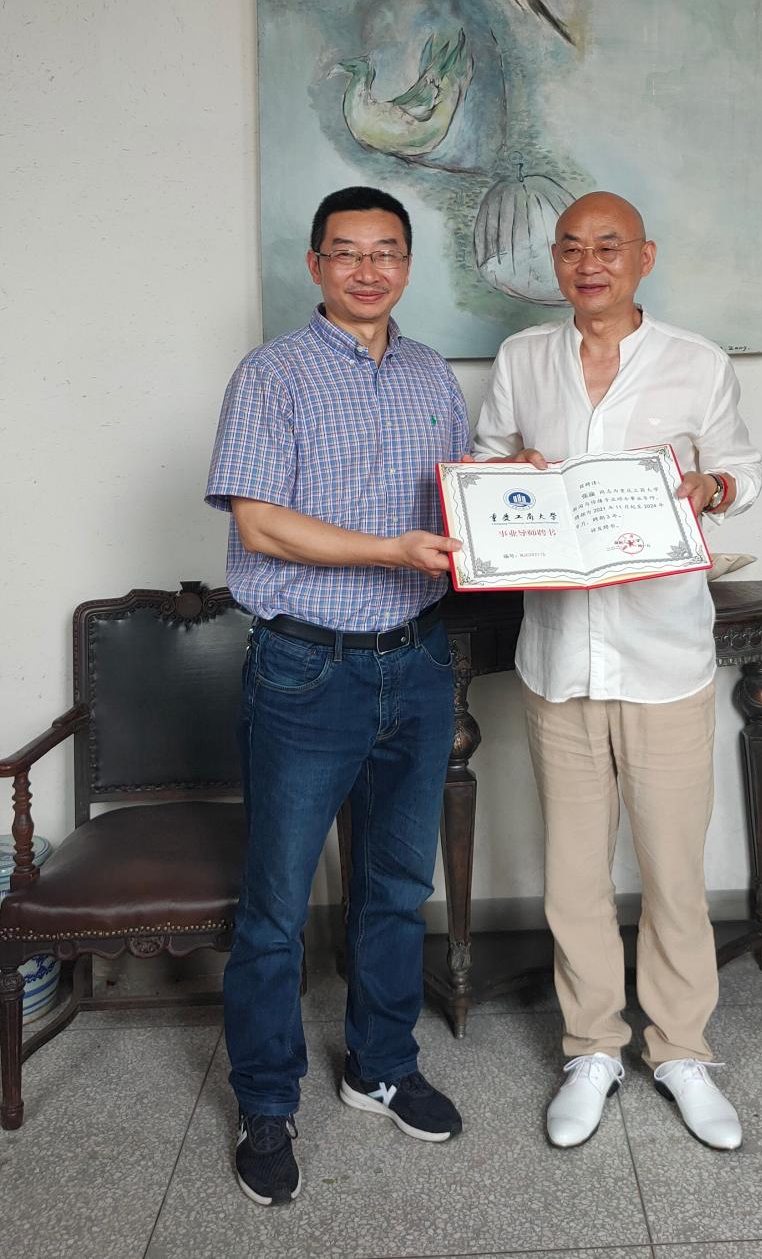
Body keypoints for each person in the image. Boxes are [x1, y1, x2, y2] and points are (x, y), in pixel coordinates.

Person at [473, 191, 762, 1151]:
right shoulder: (522, 358)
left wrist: (711, 485)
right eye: (571, 247)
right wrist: (514, 472)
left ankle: (681, 1051)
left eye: (609, 246)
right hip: (557, 653)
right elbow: (482, 468)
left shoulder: (697, 361)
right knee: (572, 874)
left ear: (645, 256)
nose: (588, 262)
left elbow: (743, 469)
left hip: (664, 653)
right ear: (554, 262)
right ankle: (591, 1046)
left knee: (675, 871)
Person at [206, 186, 468, 1206]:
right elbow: (260, 525)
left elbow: (458, 501)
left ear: (407, 263)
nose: (368, 269)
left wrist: (519, 494)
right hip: (306, 668)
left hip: (419, 660)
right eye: (347, 252)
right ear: (315, 264)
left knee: (397, 884)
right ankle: (267, 1101)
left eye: (386, 251)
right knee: (276, 906)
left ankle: (381, 1064)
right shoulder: (270, 373)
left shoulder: (432, 372)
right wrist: (390, 550)